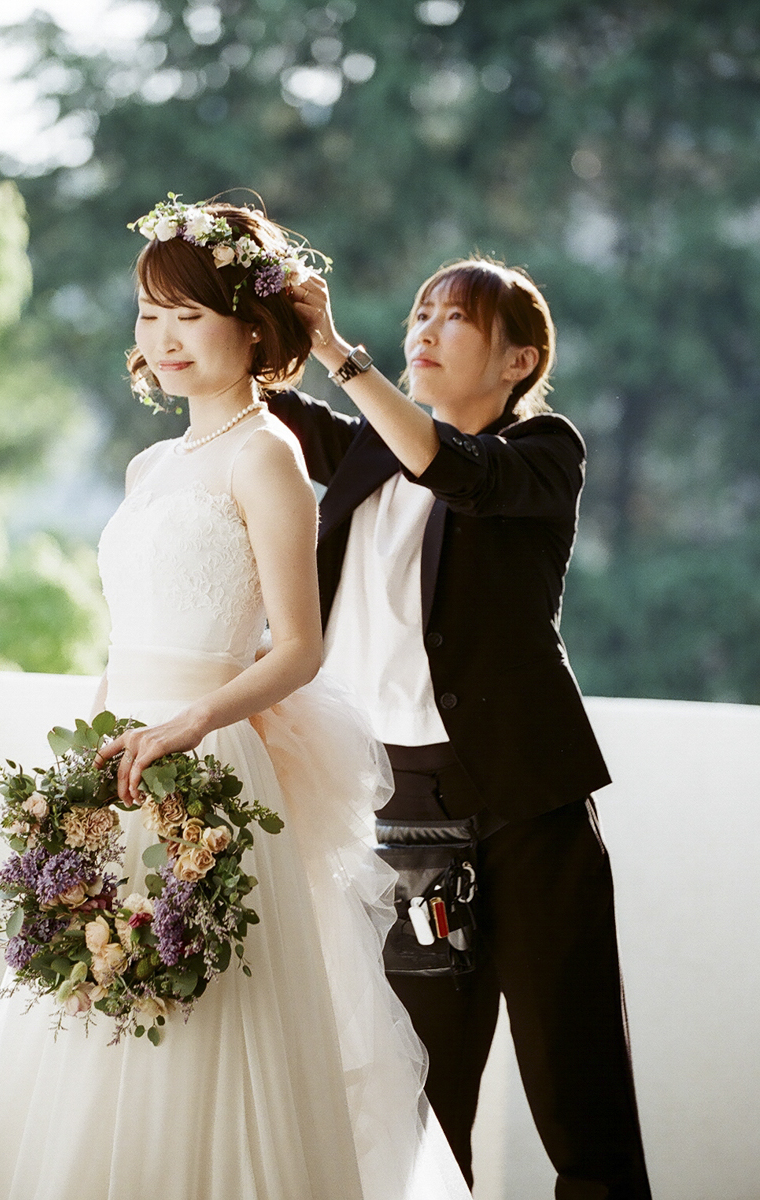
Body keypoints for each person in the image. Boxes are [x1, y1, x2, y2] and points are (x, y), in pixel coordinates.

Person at [0, 200, 472, 1200]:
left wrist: (189, 725)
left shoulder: (268, 454)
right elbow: (127, 636)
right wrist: (79, 770)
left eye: (189, 314)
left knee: (201, 1021)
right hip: (116, 767)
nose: (165, 337)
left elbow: (300, 649)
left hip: (209, 767)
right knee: (85, 1003)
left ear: (251, 327)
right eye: (150, 315)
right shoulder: (150, 464)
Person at [266, 258, 653, 1198]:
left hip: (526, 810)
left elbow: (457, 472)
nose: (425, 331)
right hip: (398, 810)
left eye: (455, 319)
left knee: (580, 1097)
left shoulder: (544, 453)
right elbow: (257, 401)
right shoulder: (367, 452)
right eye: (421, 314)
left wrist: (339, 353)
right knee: (423, 1110)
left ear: (519, 361)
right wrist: (246, 298)